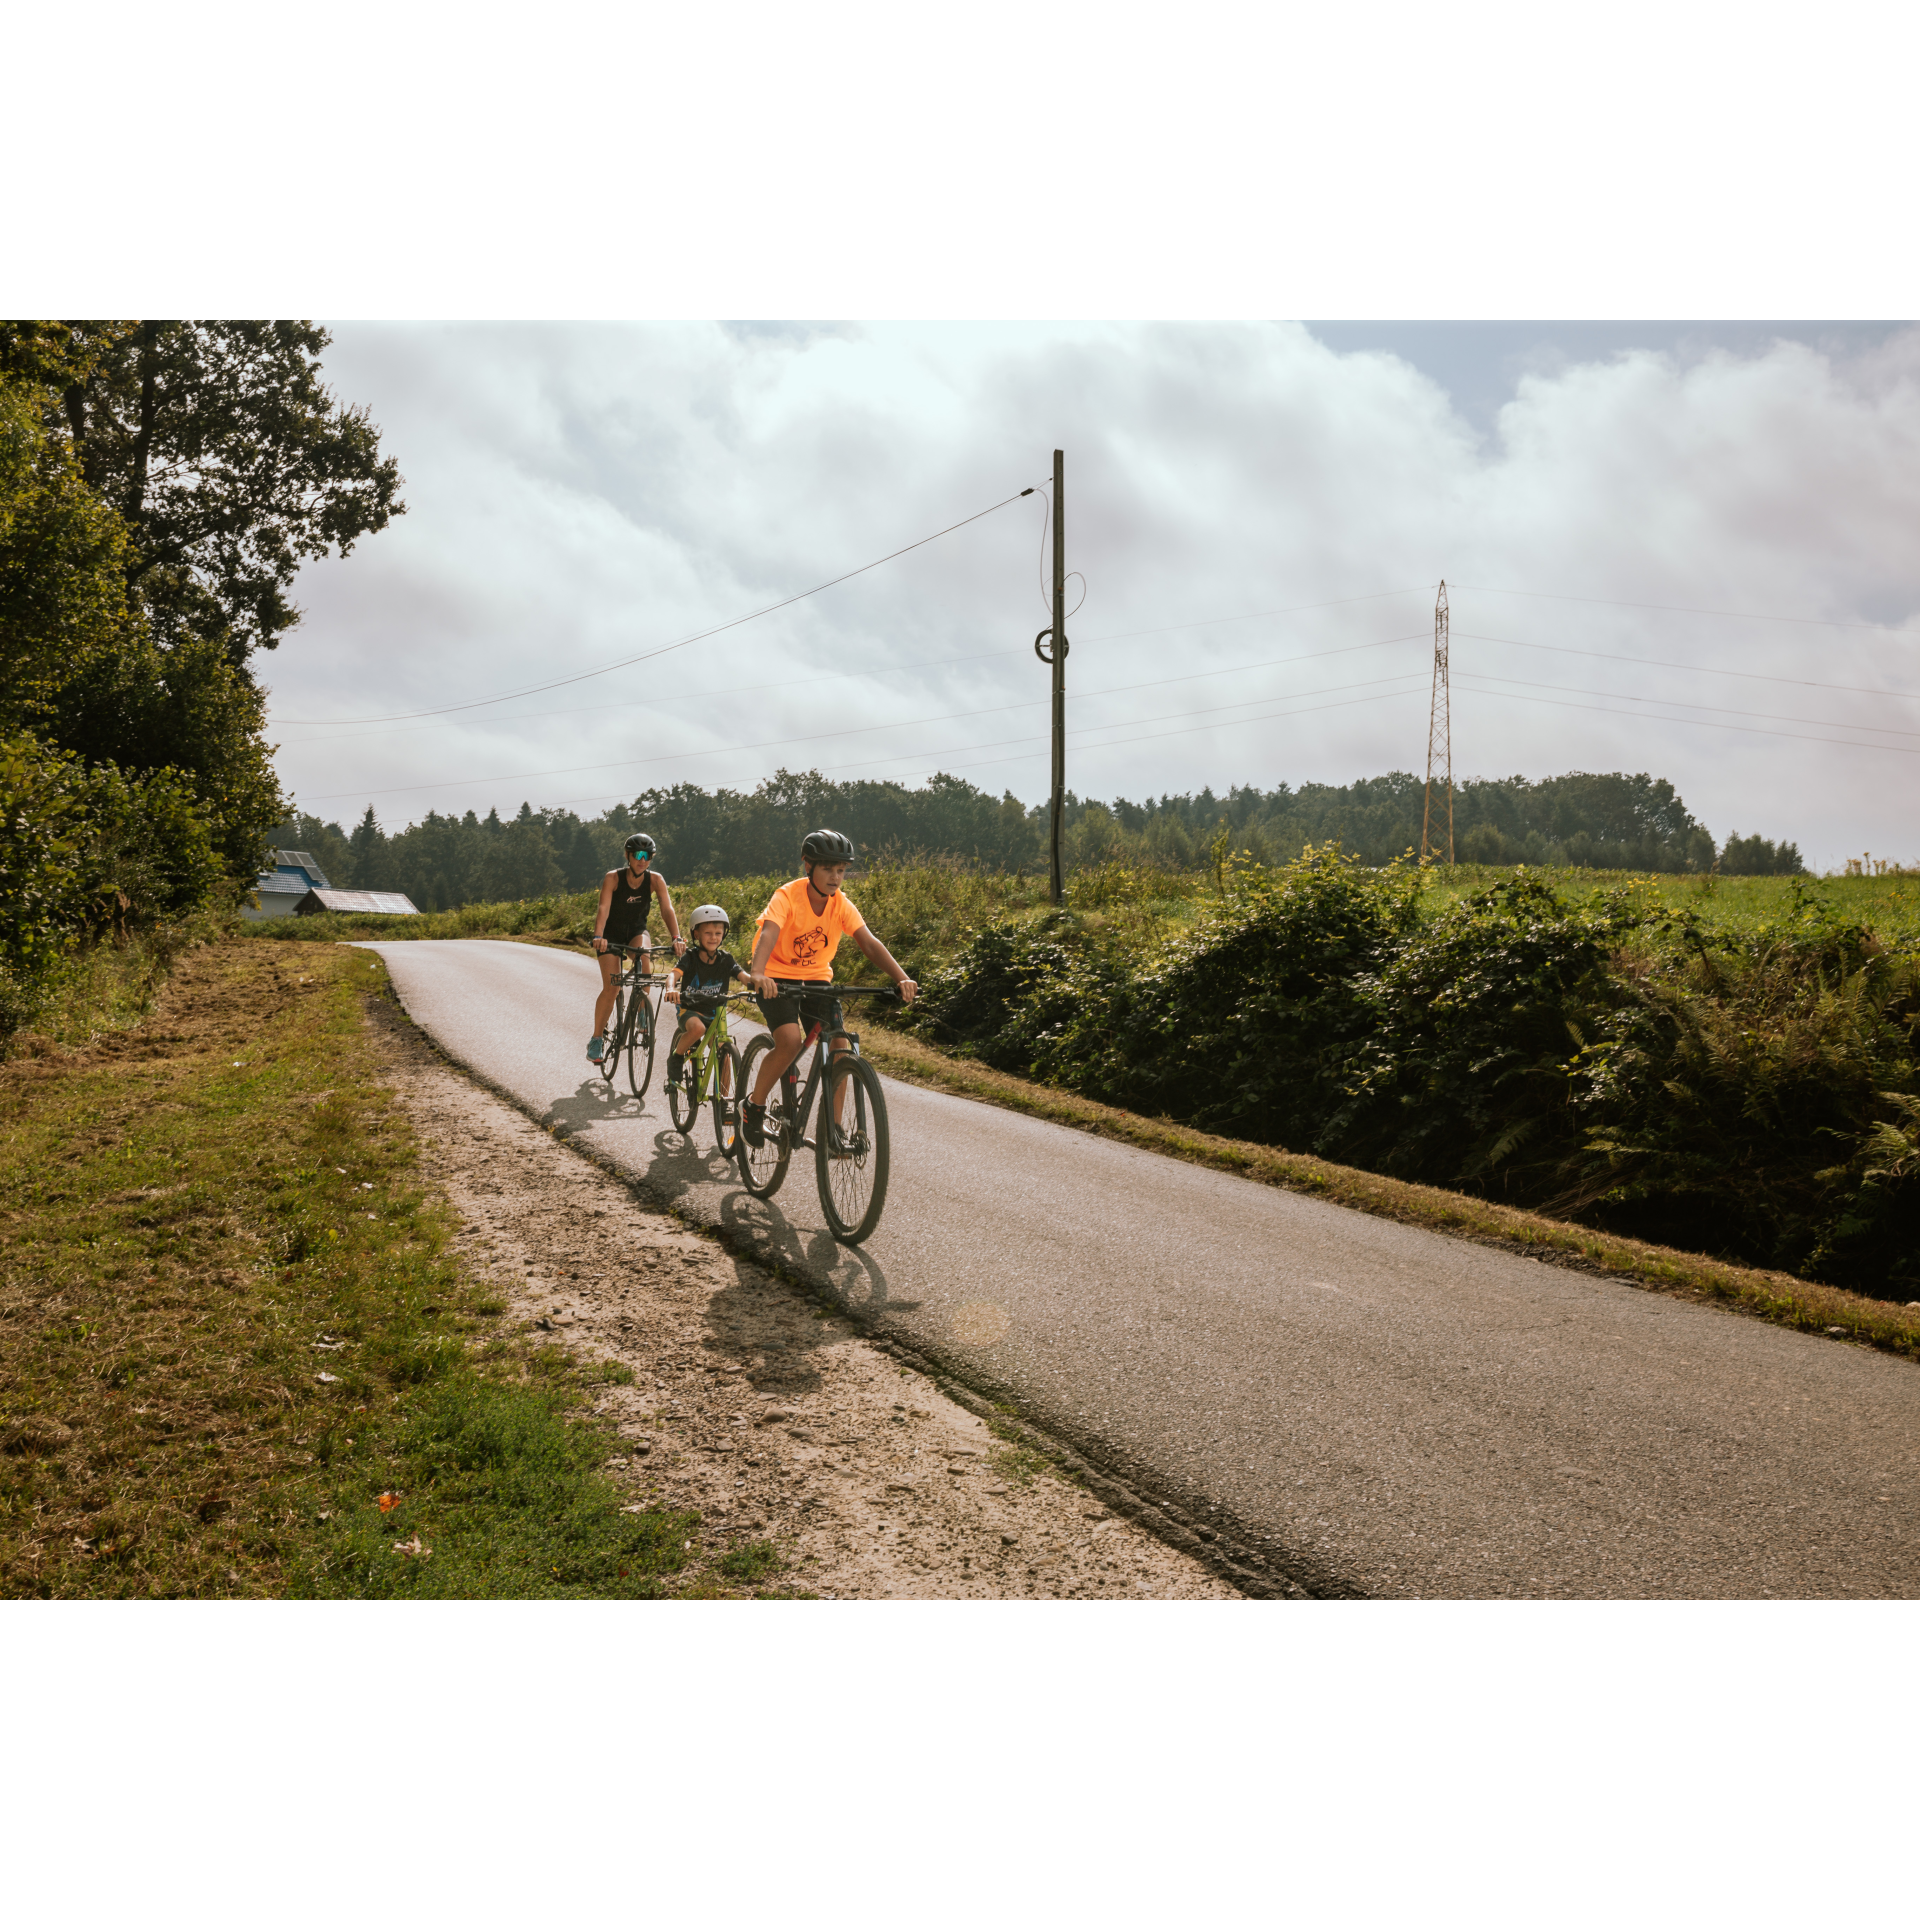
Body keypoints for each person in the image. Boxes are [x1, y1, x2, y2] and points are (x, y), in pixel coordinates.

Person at [741, 828, 917, 1146]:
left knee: (839, 1045)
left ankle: (833, 1129)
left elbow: (869, 943)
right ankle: (753, 1106)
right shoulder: (787, 895)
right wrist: (757, 973)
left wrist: (901, 977)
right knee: (790, 1041)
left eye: (841, 870)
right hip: (775, 976)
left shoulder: (841, 904)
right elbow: (768, 933)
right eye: (827, 869)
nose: (835, 877)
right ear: (808, 866)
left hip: (817, 979)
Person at [588, 832, 684, 1063]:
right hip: (610, 935)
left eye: (648, 855)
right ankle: (597, 1039)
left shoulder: (655, 880)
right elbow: (604, 908)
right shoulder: (613, 878)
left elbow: (667, 909)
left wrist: (676, 937)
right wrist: (599, 935)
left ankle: (642, 1011)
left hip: (636, 932)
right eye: (638, 855)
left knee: (644, 959)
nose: (643, 860)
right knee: (612, 988)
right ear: (628, 856)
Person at [664, 904, 746, 1087]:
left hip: (715, 1013)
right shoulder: (690, 957)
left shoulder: (726, 959)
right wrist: (671, 988)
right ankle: (676, 1058)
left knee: (724, 1055)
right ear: (696, 935)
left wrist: (759, 984)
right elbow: (673, 975)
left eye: (718, 933)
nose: (713, 937)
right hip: (691, 1009)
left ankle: (724, 1105)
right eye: (708, 933)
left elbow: (744, 977)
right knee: (698, 1029)